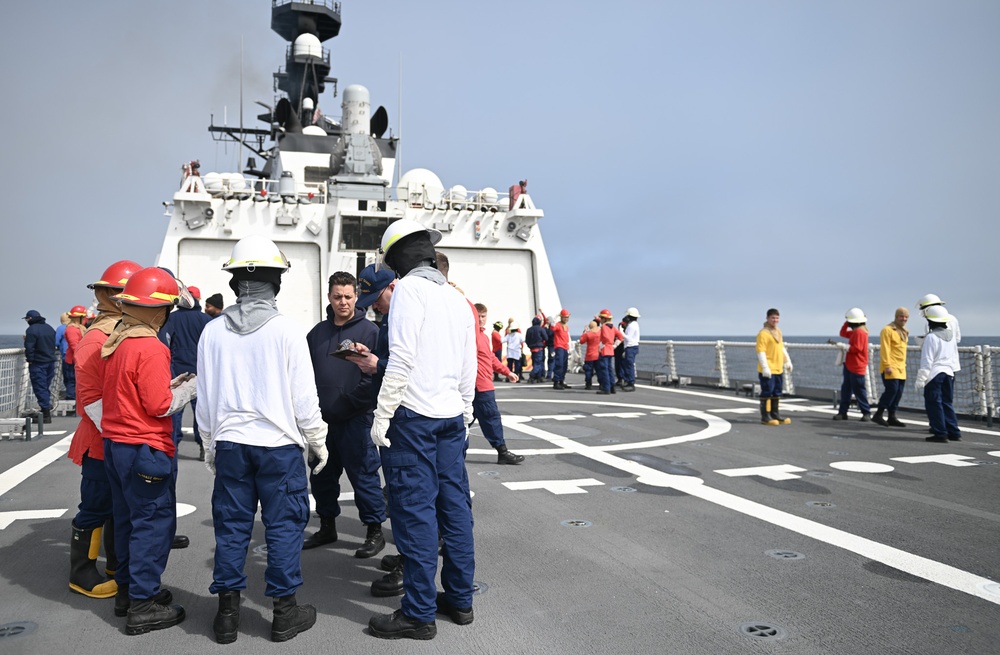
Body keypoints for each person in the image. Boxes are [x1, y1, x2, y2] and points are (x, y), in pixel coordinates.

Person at [196, 235, 329, 644]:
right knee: (284, 528)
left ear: (235, 282)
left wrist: (209, 446)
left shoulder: (212, 332)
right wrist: (318, 441)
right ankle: (284, 614)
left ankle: (226, 617)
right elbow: (304, 400)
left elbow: (205, 399)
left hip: (231, 445)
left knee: (232, 528)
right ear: (277, 282)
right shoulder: (288, 332)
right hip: (279, 448)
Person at [367, 218, 477, 640]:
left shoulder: (409, 290)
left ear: (397, 258)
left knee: (415, 515)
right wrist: (465, 413)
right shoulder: (456, 297)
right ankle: (460, 600)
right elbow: (468, 367)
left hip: (412, 418)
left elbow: (402, 358)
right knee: (456, 512)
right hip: (451, 418)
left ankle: (417, 613)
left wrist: (383, 414)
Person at [100, 267, 194, 635]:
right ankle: (143, 604)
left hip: (116, 445)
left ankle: (128, 592)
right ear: (157, 311)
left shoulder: (118, 342)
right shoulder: (151, 346)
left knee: (126, 521)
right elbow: (158, 405)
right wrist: (187, 389)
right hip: (144, 448)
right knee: (151, 526)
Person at [67, 260, 142, 601]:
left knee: (115, 504)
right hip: (101, 440)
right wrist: (121, 430)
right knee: (96, 506)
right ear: (112, 296)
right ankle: (82, 572)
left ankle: (114, 564)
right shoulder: (95, 339)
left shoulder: (113, 334)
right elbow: (88, 400)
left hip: (112, 437)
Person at [304, 271, 386, 558]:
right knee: (322, 477)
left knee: (364, 475)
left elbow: (375, 379)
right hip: (322, 422)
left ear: (356, 297)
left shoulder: (371, 332)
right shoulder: (316, 334)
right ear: (329, 297)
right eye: (337, 296)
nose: (343, 302)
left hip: (356, 419)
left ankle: (374, 531)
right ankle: (327, 526)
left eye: (348, 297)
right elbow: (304, 376)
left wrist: (349, 403)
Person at [346, 263, 404, 599]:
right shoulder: (390, 321)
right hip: (397, 418)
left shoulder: (406, 319)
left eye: (375, 298)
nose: (373, 306)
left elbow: (412, 367)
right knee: (400, 496)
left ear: (393, 286)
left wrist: (376, 364)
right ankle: (409, 558)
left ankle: (410, 570)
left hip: (409, 421)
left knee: (408, 498)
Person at [159, 284, 212, 461]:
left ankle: (172, 447)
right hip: (200, 372)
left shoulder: (171, 318)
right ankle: (204, 447)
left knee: (175, 411)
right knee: (201, 412)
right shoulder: (206, 320)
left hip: (177, 371)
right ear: (197, 299)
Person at [472, 303, 525, 464]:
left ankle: (449, 454)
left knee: (464, 422)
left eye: (483, 316)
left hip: (480, 385)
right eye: (478, 316)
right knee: (491, 418)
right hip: (480, 386)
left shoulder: (483, 336)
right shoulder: (472, 335)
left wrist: (507, 372)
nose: (481, 319)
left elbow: (491, 358)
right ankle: (502, 452)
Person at [915, 306, 962, 443]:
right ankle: (954, 432)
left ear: (931, 321)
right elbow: (953, 356)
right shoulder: (951, 335)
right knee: (947, 402)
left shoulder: (931, 337)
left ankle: (940, 433)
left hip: (935, 374)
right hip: (949, 373)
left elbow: (927, 360)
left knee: (934, 403)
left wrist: (921, 378)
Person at [755, 308, 793, 425]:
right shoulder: (763, 333)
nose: (775, 320)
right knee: (767, 391)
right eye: (772, 318)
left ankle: (775, 414)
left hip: (778, 368)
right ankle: (765, 416)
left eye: (777, 318)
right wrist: (765, 367)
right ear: (767, 318)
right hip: (768, 369)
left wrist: (787, 361)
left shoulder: (778, 332)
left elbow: (781, 347)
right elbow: (760, 351)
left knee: (777, 391)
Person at [832, 308, 871, 421]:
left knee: (856, 390)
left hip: (856, 365)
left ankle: (865, 412)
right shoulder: (857, 332)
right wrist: (847, 322)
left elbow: (857, 348)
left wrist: (845, 347)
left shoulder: (859, 332)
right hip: (851, 365)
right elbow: (843, 333)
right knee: (849, 389)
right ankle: (845, 412)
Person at [873, 307, 909, 427]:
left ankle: (891, 416)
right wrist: (887, 365)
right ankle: (878, 414)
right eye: (901, 316)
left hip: (901, 367)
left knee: (898, 392)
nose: (903, 319)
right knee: (891, 390)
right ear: (896, 316)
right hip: (891, 366)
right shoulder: (887, 330)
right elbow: (885, 349)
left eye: (906, 317)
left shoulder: (903, 331)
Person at [22, 309, 57, 423]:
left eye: (27, 319)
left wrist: (30, 360)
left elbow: (30, 347)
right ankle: (46, 409)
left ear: (30, 319)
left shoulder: (31, 330)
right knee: (45, 386)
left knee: (40, 387)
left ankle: (46, 414)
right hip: (51, 362)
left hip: (38, 363)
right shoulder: (49, 328)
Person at [597, 309, 624, 395]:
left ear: (604, 319)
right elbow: (620, 337)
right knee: (610, 369)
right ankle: (612, 387)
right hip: (610, 350)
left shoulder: (603, 327)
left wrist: (602, 344)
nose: (600, 320)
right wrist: (615, 345)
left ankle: (606, 388)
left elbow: (604, 337)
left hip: (604, 350)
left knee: (604, 370)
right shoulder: (613, 327)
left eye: (601, 318)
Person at [620, 307, 641, 392]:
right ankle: (628, 381)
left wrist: (621, 332)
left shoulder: (632, 326)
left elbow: (628, 338)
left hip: (631, 347)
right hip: (631, 347)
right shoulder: (634, 324)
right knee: (628, 365)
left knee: (629, 365)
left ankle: (631, 383)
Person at [551, 309, 572, 390]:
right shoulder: (558, 325)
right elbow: (553, 328)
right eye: (565, 317)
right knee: (559, 364)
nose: (566, 319)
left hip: (565, 347)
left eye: (567, 317)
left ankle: (561, 380)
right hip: (559, 347)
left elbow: (566, 337)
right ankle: (556, 381)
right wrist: (554, 319)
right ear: (561, 317)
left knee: (564, 365)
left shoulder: (566, 326)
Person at [579, 321, 602, 390]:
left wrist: (584, 332)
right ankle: (601, 383)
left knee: (588, 371)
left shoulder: (588, 334)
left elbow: (581, 341)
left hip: (589, 355)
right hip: (598, 354)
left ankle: (588, 384)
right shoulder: (600, 333)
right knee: (599, 370)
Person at [524, 317, 547, 383]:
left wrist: (529, 346)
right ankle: (532, 375)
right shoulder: (541, 329)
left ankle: (538, 377)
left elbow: (527, 340)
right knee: (538, 363)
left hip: (532, 348)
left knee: (535, 363)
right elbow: (546, 337)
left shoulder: (529, 330)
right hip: (539, 348)